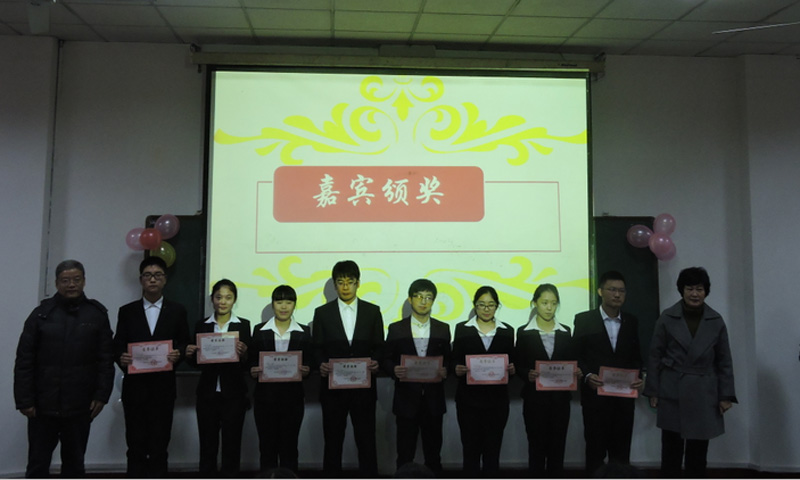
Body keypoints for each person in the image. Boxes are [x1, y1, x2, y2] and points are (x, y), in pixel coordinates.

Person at [14, 259, 115, 477]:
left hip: (80, 405)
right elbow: (24, 360)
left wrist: (102, 395)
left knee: (75, 465)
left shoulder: (96, 315)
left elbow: (106, 359)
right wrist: (24, 400)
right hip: (43, 405)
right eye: (65, 280)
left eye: (76, 279)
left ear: (84, 281)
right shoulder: (41, 314)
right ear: (57, 283)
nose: (71, 285)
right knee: (37, 464)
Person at [644, 267, 736, 477]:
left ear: (706, 291)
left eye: (699, 289)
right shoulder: (667, 318)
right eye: (690, 289)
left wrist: (725, 395)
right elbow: (655, 356)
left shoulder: (716, 320)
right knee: (671, 450)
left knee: (698, 452)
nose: (695, 294)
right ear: (682, 290)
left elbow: (724, 361)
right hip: (672, 389)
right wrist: (653, 391)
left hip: (704, 391)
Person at [113, 256, 190, 478]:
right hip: (135, 389)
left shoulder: (177, 310)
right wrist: (121, 357)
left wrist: (178, 353)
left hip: (163, 388)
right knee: (135, 444)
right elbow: (118, 344)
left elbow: (185, 342)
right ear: (141, 280)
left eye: (157, 275)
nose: (153, 279)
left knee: (160, 444)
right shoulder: (127, 311)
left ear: (165, 279)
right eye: (148, 275)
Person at [312, 260, 384, 477]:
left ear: (358, 283)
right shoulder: (322, 313)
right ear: (335, 284)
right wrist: (321, 364)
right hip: (333, 390)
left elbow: (380, 347)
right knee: (333, 442)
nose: (345, 287)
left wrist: (376, 361)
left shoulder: (372, 311)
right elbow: (317, 347)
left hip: (364, 390)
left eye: (350, 282)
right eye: (340, 282)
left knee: (367, 441)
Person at [573, 271, 643, 476]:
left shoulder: (631, 321)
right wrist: (587, 376)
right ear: (600, 291)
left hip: (623, 400)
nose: (617, 295)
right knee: (595, 452)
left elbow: (636, 356)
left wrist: (639, 376)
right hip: (595, 399)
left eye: (622, 291)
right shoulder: (584, 319)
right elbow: (576, 355)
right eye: (612, 289)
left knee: (621, 454)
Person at [382, 279, 451, 475]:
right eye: (419, 296)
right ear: (410, 299)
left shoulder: (443, 328)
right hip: (406, 400)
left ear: (433, 301)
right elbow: (385, 358)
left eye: (428, 297)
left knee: (433, 455)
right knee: (404, 454)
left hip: (433, 401)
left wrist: (446, 369)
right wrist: (394, 369)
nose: (423, 301)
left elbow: (449, 359)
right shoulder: (396, 329)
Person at [186, 279, 251, 477]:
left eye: (228, 298)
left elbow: (248, 364)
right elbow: (196, 363)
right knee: (207, 444)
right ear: (212, 299)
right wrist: (190, 354)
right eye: (218, 297)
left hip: (234, 394)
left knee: (232, 444)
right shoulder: (202, 325)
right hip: (207, 394)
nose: (223, 302)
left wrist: (245, 354)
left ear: (234, 300)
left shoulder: (243, 325)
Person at [514, 283, 581, 477]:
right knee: (536, 448)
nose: (549, 307)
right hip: (534, 400)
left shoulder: (565, 332)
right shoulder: (524, 332)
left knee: (558, 449)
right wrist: (527, 374)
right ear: (535, 303)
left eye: (553, 303)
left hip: (560, 401)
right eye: (544, 303)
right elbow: (518, 364)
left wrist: (576, 371)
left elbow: (572, 361)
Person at [452, 285, 516, 477]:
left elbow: (513, 362)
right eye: (481, 304)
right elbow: (454, 359)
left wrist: (512, 369)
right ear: (475, 306)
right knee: (470, 451)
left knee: (492, 451)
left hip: (497, 402)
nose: (486, 309)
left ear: (497, 306)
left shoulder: (507, 331)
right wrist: (456, 368)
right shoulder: (462, 329)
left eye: (491, 305)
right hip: (468, 402)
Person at [249, 285, 311, 475]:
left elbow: (310, 362)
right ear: (273, 304)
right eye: (279, 301)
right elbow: (251, 361)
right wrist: (253, 369)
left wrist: (307, 369)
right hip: (265, 399)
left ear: (294, 305)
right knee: (267, 448)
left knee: (289, 448)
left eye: (289, 302)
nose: (284, 306)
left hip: (293, 400)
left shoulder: (304, 331)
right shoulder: (259, 330)